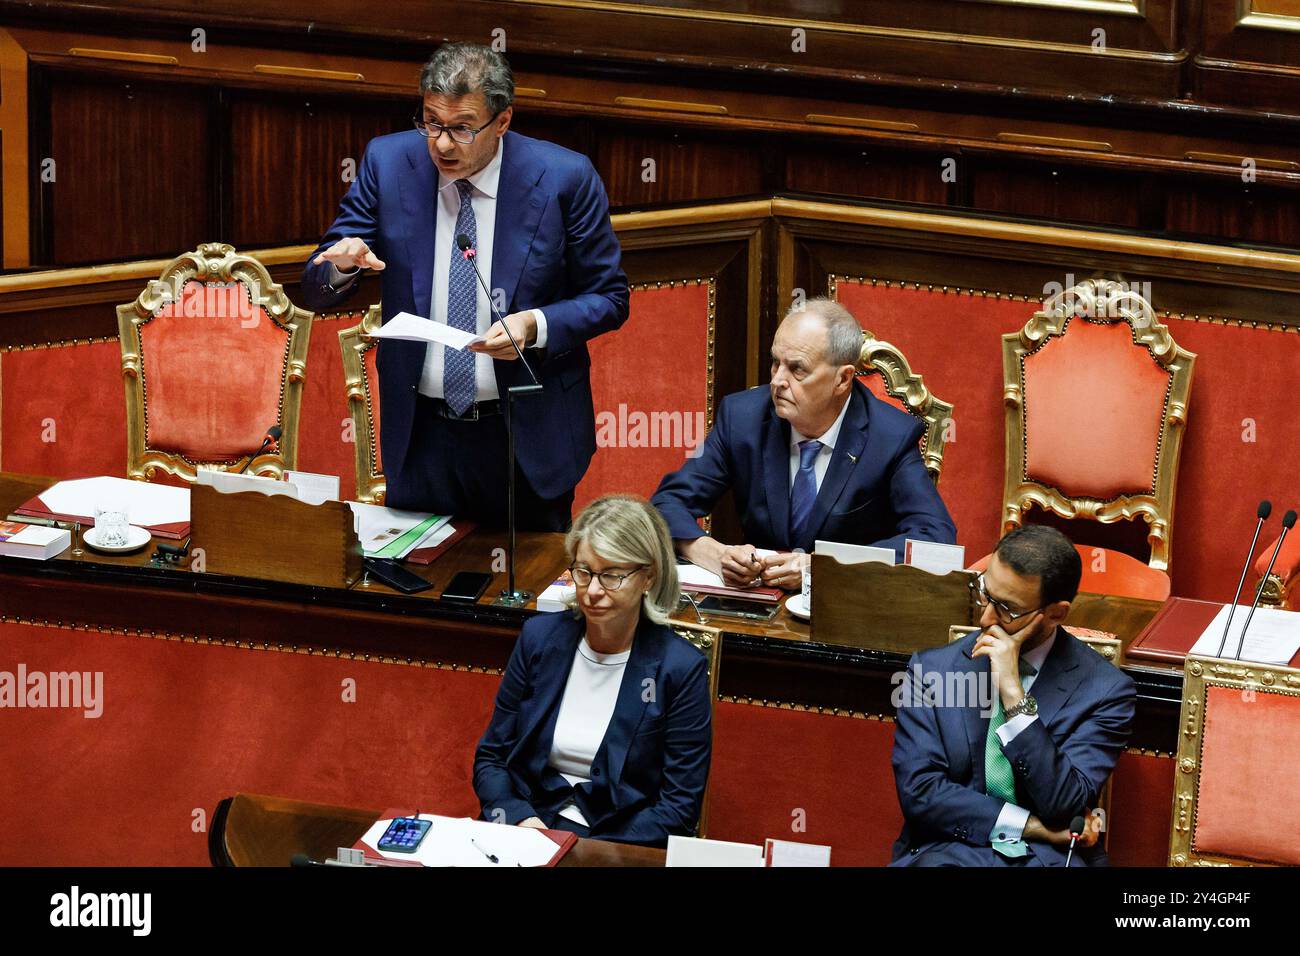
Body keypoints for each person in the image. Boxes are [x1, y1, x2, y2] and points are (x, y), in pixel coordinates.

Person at [301, 42, 628, 530]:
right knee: (417, 592)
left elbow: (609, 298)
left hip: (523, 436)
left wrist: (535, 325)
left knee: (523, 599)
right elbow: (316, 285)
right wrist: (340, 266)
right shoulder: (388, 163)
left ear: (502, 121)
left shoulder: (564, 178)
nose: (443, 144)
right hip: (421, 434)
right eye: (431, 122)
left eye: (461, 128)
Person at [650, 297, 956, 589]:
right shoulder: (742, 418)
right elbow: (666, 504)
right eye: (775, 363)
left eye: (797, 369)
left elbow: (936, 540)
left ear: (842, 379)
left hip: (844, 616)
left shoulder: (890, 436)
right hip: (757, 608)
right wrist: (712, 553)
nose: (777, 381)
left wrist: (822, 567)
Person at [890, 525, 1135, 866]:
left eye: (1007, 609)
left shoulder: (1105, 691)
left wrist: (1013, 694)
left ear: (1056, 614)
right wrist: (1032, 826)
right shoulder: (931, 671)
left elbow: (1063, 803)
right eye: (985, 593)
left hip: (1045, 860)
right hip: (947, 851)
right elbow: (921, 793)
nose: (986, 617)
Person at [473, 495, 712, 845]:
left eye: (612, 576)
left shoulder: (679, 669)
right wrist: (519, 818)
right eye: (584, 572)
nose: (593, 591)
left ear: (648, 577)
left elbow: (678, 810)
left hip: (617, 840)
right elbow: (491, 759)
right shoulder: (539, 640)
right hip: (527, 827)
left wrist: (587, 851)